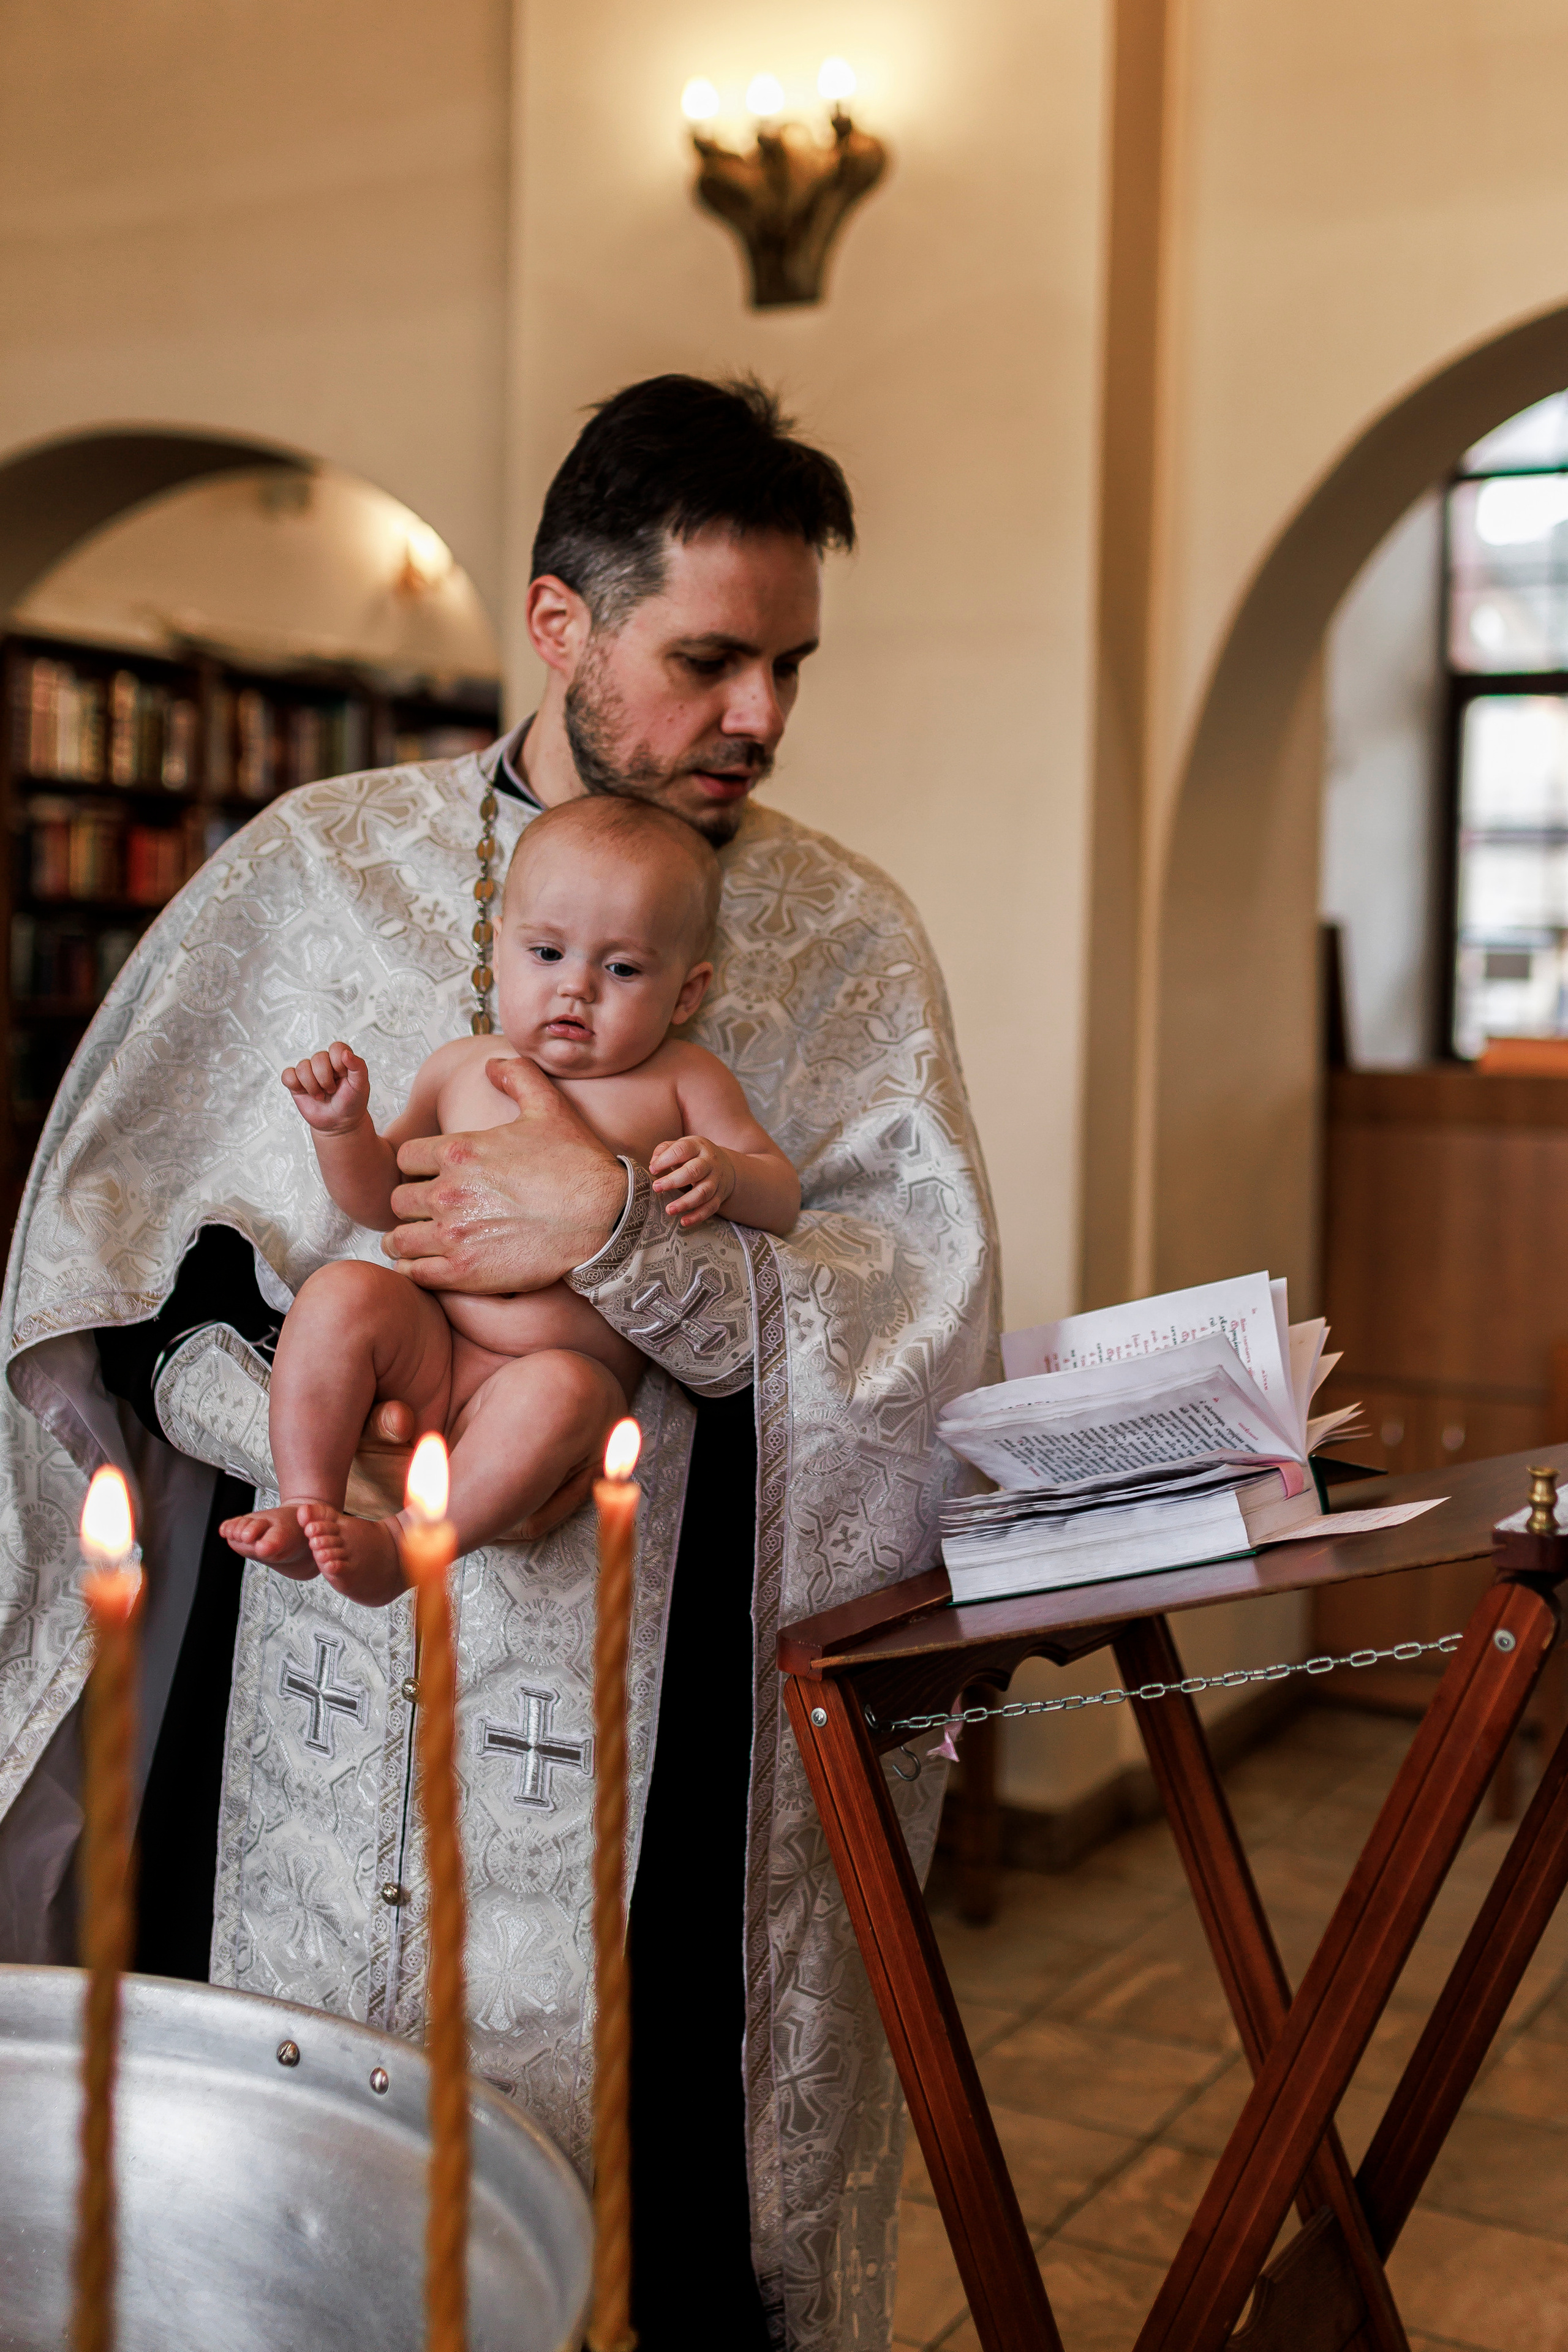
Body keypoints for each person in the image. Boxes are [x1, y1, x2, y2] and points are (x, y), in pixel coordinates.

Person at [0, 374, 999, 2352]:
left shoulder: (844, 943)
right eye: (708, 660)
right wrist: (334, 1433)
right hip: (301, 1687)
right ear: (560, 623)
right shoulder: (311, 871)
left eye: (791, 666)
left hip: (657, 1723)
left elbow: (906, 1341)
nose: (761, 716)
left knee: (635, 2251)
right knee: (265, 2241)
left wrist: (614, 1239)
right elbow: (124, 1285)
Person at [223, 796, 799, 1595]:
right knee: (341, 1291)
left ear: (687, 993)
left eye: (622, 969)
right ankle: (308, 1502)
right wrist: (343, 1129)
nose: (576, 989)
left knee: (565, 1392)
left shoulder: (684, 1079)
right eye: (547, 953)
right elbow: (382, 1200)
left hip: (549, 1377)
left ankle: (404, 1547)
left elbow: (783, 1195)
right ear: (499, 949)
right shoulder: (462, 1067)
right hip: (431, 1344)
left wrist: (729, 1173)